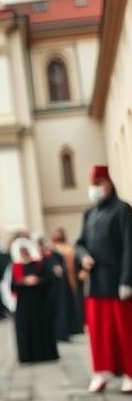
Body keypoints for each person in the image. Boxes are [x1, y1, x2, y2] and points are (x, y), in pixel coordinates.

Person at [75, 165, 132, 393]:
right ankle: (101, 371)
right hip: (96, 284)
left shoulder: (123, 210)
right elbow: (79, 243)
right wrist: (84, 257)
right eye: (92, 185)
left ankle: (130, 372)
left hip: (118, 282)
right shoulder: (89, 213)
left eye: (99, 184)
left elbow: (130, 246)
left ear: (109, 184)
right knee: (99, 333)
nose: (95, 189)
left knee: (125, 331)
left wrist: (127, 280)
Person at [9, 237, 59, 364]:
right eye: (22, 251)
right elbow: (12, 286)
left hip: (39, 302)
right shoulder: (15, 267)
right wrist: (23, 282)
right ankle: (28, 356)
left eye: (26, 251)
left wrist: (37, 281)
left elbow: (49, 281)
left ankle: (44, 354)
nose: (24, 253)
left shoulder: (39, 264)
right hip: (24, 304)